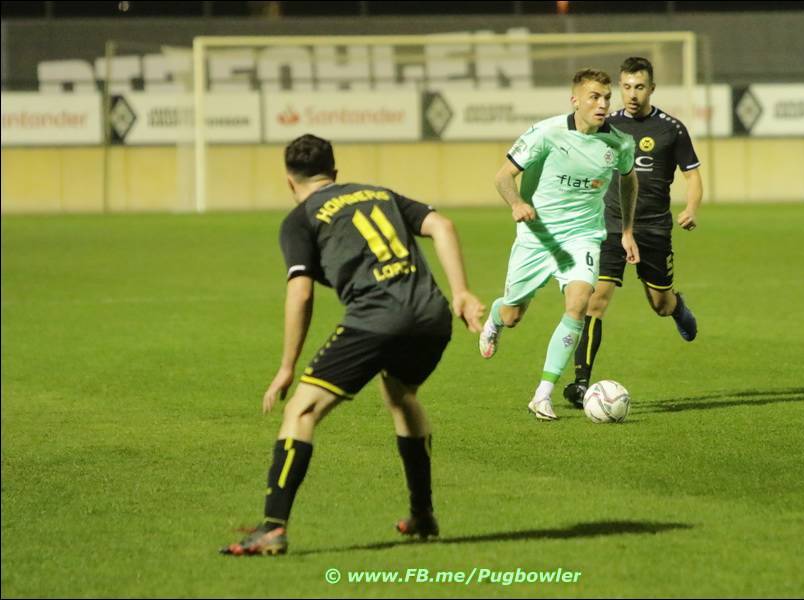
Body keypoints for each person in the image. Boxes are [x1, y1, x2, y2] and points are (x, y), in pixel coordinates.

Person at [221, 134, 484, 556]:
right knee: (401, 395)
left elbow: (300, 294)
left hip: (376, 319)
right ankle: (422, 513)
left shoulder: (299, 219)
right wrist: (462, 292)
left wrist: (287, 367)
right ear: (335, 173)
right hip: (431, 316)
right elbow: (442, 225)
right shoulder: (378, 193)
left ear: (289, 182)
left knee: (301, 410)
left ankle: (272, 528)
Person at [478, 68, 639, 421]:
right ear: (575, 100)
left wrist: (627, 230)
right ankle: (496, 316)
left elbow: (629, 180)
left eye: (606, 97)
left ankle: (542, 395)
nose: (602, 104)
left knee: (579, 304)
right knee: (513, 315)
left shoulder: (620, 143)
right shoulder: (546, 133)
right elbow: (503, 176)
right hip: (538, 237)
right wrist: (517, 203)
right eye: (594, 97)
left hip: (583, 236)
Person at [562, 56, 702, 408]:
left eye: (639, 87)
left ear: (651, 88)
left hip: (654, 228)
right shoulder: (607, 125)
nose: (632, 94)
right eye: (626, 87)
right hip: (611, 224)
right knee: (595, 301)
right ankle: (581, 383)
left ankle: (678, 307)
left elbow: (693, 176)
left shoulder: (672, 129)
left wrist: (691, 208)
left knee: (660, 305)